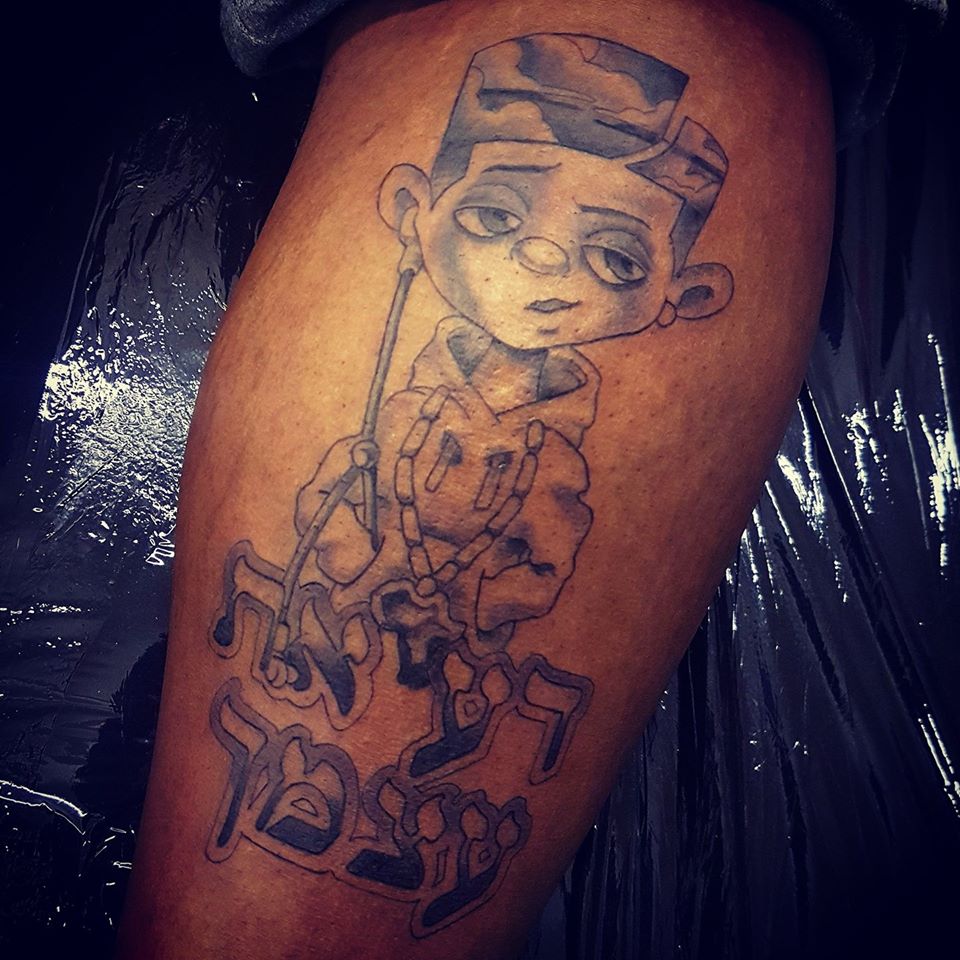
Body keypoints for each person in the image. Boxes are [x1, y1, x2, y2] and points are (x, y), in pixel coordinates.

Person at [113, 0, 924, 956]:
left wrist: (477, 603)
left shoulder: (555, 462)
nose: (540, 259)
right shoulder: (403, 405)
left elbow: (541, 559)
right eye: (495, 215)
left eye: (614, 256)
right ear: (414, 214)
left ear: (685, 293)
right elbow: (343, 498)